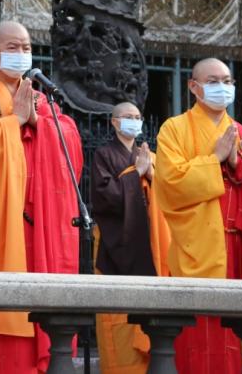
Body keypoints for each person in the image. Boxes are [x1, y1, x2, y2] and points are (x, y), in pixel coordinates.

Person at [0, 21, 84, 372]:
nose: (22, 54)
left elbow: (71, 141)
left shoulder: (41, 96)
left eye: (26, 47)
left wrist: (39, 123)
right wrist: (14, 123)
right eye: (13, 47)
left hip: (40, 227)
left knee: (40, 311)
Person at [154, 58, 242, 374]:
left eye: (227, 81)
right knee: (202, 338)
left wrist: (240, 165)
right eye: (213, 81)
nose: (222, 87)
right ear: (193, 86)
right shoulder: (174, 130)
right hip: (199, 253)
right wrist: (214, 159)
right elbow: (171, 184)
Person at [92, 102, 170, 374]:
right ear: (114, 122)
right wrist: (135, 173)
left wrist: (151, 173)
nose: (134, 121)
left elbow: (168, 197)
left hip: (148, 242)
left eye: (137, 117)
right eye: (128, 117)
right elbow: (105, 197)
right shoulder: (103, 154)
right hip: (115, 245)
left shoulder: (149, 155)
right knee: (118, 319)